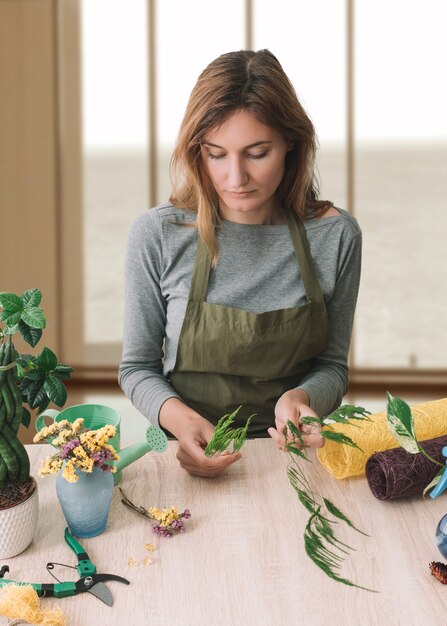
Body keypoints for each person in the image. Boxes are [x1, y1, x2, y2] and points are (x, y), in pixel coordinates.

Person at [118, 49, 362, 478]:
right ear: (198, 153)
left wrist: (302, 399)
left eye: (256, 152)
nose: (236, 179)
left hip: (293, 461)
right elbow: (136, 368)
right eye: (216, 154)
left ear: (291, 143)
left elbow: (332, 366)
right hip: (180, 455)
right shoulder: (157, 234)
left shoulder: (337, 236)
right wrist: (181, 421)